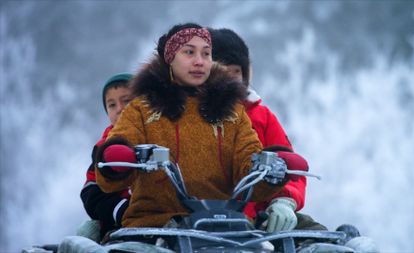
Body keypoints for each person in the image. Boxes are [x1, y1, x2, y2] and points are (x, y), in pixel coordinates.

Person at [94, 22, 307, 229]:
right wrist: (117, 160)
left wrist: (272, 170)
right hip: (156, 222)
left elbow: (247, 165)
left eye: (206, 54)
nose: (199, 61)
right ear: (170, 58)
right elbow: (114, 161)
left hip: (222, 225)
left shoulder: (231, 111)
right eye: (189, 53)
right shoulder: (142, 108)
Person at [209, 28, 327, 232]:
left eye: (236, 72)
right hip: (201, 214)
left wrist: (284, 201)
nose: (231, 80)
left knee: (316, 233)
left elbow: (290, 166)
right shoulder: (187, 115)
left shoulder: (262, 117)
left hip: (257, 217)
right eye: (223, 72)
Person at [78, 73, 133, 242]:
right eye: (112, 105)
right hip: (118, 226)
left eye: (126, 101)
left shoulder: (159, 139)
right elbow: (90, 193)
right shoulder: (103, 148)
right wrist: (118, 209)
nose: (119, 109)